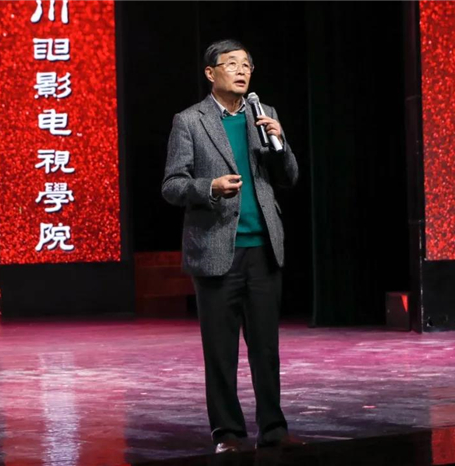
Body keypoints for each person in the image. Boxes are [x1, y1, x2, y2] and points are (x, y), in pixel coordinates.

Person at [161, 39, 301, 453]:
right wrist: (210, 187)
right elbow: (172, 185)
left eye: (247, 66)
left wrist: (280, 141)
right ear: (211, 73)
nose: (242, 71)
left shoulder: (264, 114)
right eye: (232, 64)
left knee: (266, 349)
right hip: (216, 251)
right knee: (221, 352)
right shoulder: (190, 121)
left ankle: (273, 429)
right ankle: (228, 434)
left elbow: (288, 177)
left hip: (264, 249)